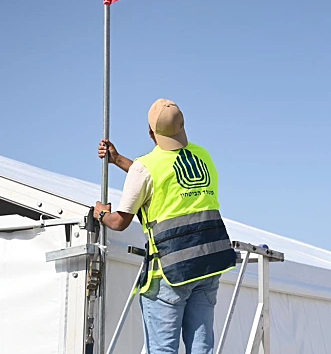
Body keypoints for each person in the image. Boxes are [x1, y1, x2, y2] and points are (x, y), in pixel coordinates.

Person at [93, 98, 236, 354]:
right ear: (182, 126)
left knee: (162, 350)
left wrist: (102, 214)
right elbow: (168, 178)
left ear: (150, 132)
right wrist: (119, 160)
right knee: (202, 348)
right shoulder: (203, 157)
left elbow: (119, 222)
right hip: (208, 266)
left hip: (170, 273)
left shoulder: (144, 168)